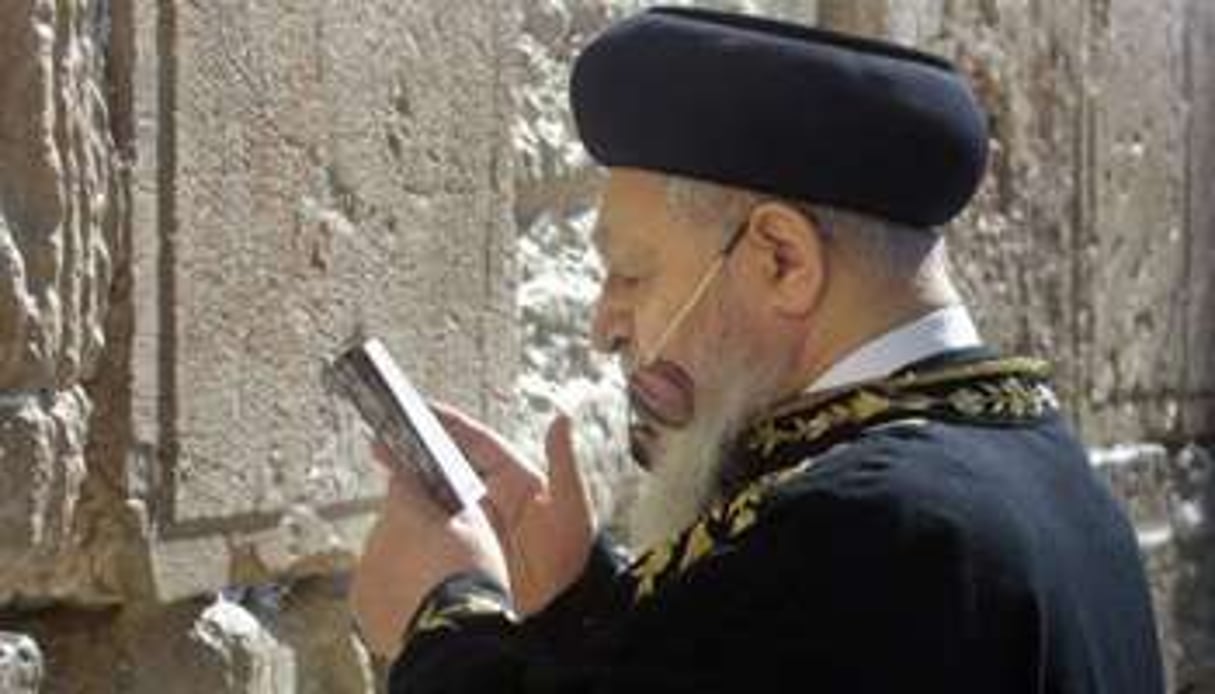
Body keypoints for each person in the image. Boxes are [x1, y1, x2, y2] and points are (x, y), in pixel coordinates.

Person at [350, 7, 1166, 692]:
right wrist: (578, 602)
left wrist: (440, 615)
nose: (604, 326)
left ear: (781, 259)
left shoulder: (871, 533)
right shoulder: (1041, 474)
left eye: (630, 274)